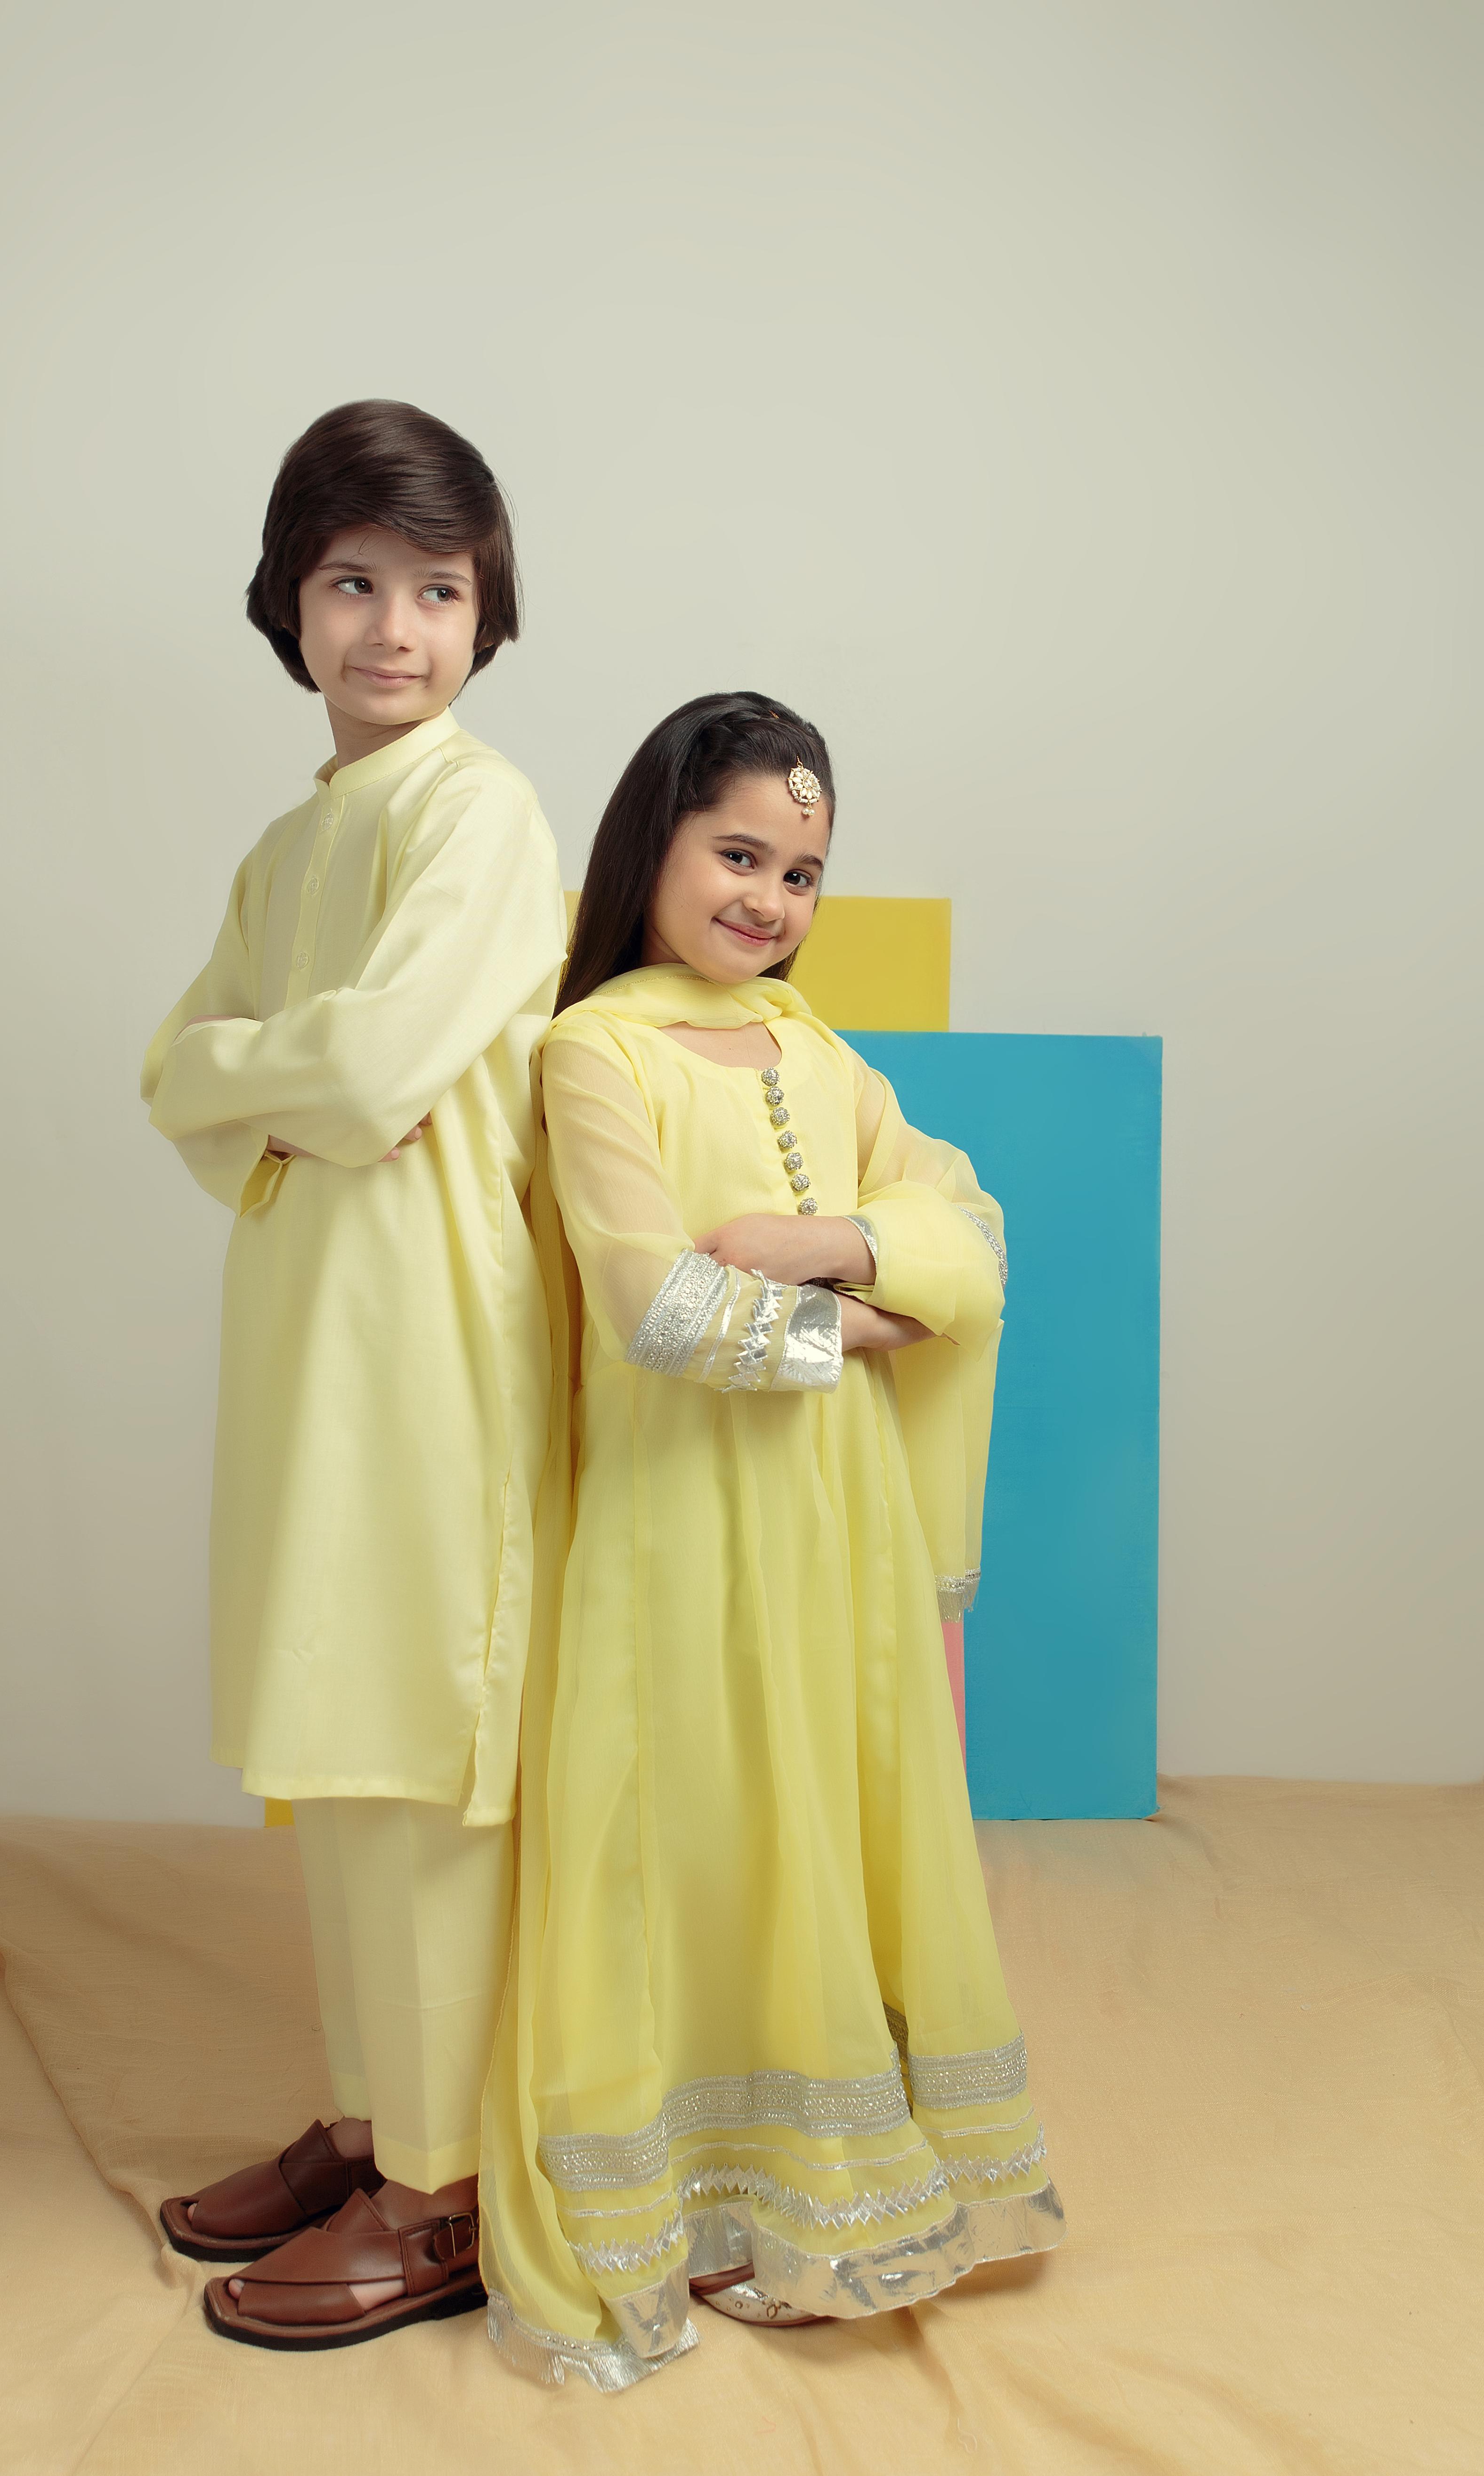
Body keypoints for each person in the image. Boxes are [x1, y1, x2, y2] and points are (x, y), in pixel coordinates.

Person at [478, 692, 1063, 2389]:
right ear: (652, 843)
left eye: (801, 872)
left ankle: (828, 2195)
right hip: (677, 1513)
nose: (769, 899)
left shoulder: (817, 1048)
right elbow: (656, 1308)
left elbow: (972, 1232)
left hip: (840, 1516)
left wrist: (824, 1247)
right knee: (697, 1826)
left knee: (827, 1808)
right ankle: (692, 2202)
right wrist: (887, 1312)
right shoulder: (596, 1052)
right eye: (738, 854)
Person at [139, 401, 564, 2348]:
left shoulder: (482, 813)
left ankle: (448, 2184)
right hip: (310, 1327)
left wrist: (269, 1078)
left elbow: (377, 1066)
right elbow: (176, 1070)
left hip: (436, 1336)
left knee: (419, 1737)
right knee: (331, 1724)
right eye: (353, 582)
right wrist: (280, 1085)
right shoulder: (291, 842)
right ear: (289, 604)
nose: (395, 629)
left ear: (489, 614)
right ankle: (372, 2114)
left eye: (438, 590)